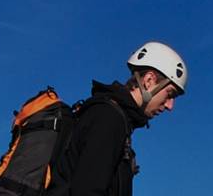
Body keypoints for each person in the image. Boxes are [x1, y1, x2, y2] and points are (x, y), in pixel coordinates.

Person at [48, 41, 187, 196]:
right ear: (149, 81)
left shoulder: (116, 119)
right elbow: (87, 191)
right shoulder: (109, 118)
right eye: (170, 94)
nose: (170, 106)